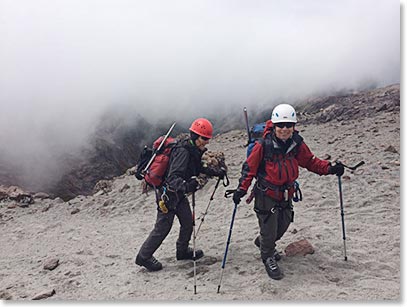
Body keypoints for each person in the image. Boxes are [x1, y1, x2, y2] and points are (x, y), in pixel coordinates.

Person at [232, 104, 344, 280]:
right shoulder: (263, 145)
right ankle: (267, 256)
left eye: (289, 125)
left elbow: (310, 162)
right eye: (281, 125)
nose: (285, 129)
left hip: (286, 193)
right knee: (269, 229)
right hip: (266, 194)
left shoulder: (296, 143)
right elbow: (249, 169)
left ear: (294, 126)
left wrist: (330, 169)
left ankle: (262, 243)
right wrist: (241, 189)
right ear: (275, 125)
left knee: (283, 225)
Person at [136, 118, 226, 271]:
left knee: (187, 221)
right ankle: (143, 257)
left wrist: (214, 172)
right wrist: (188, 185)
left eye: (207, 139)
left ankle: (182, 251)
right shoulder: (183, 152)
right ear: (194, 136)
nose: (206, 142)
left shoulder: (192, 149)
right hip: (168, 194)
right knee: (163, 227)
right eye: (204, 138)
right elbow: (173, 178)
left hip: (176, 194)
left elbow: (196, 168)